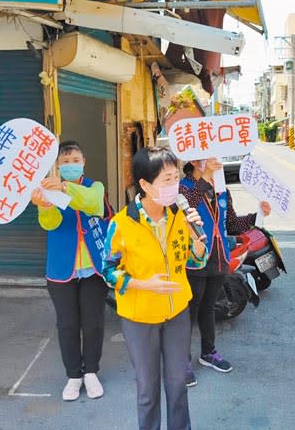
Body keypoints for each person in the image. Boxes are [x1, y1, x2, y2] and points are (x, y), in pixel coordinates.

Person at [101, 147, 207, 430]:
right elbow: (108, 272)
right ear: (145, 185)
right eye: (167, 180)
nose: (175, 186)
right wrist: (142, 284)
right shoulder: (122, 224)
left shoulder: (180, 216)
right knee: (147, 391)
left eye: (176, 178)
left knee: (178, 386)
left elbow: (193, 259)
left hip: (177, 315)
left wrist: (198, 244)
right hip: (139, 318)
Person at [31, 140, 113, 402]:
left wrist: (65, 187)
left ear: (83, 162)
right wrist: (44, 205)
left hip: (93, 270)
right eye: (64, 162)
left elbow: (92, 204)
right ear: (57, 165)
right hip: (61, 269)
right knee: (67, 325)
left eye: (74, 160)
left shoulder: (94, 187)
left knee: (93, 324)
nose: (70, 165)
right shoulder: (48, 189)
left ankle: (91, 372)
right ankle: (73, 376)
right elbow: (50, 224)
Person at [179, 158, 271, 387]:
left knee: (209, 308)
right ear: (194, 160)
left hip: (219, 259)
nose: (215, 162)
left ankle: (208, 353)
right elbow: (185, 209)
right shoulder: (183, 188)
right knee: (189, 311)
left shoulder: (221, 190)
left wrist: (258, 215)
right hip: (194, 260)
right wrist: (205, 176)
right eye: (207, 159)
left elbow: (231, 223)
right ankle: (181, 362)